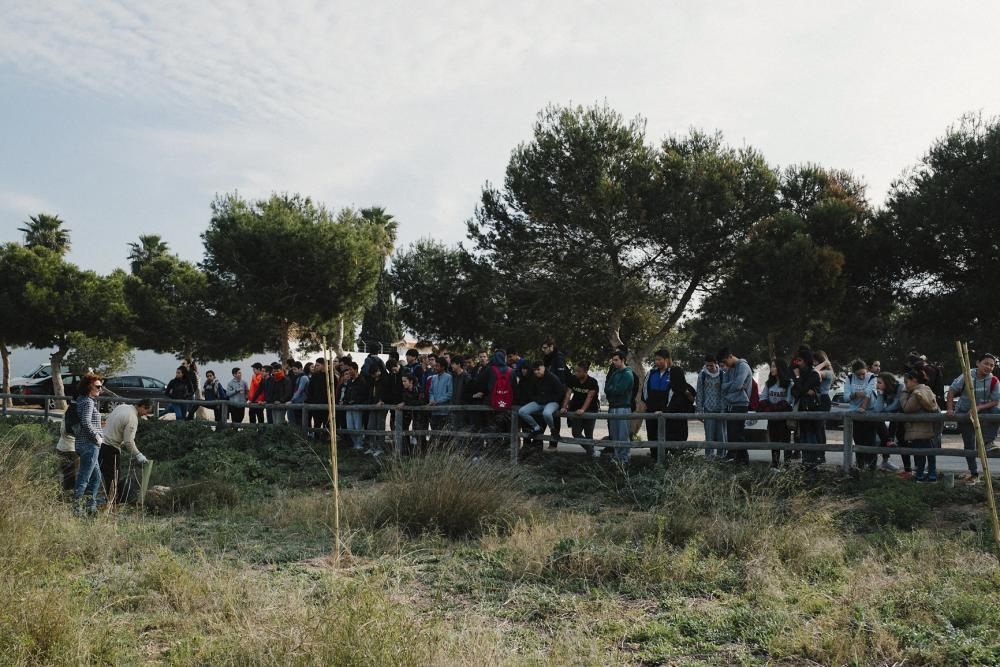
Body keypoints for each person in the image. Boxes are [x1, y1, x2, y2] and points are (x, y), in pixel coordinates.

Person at [946, 352, 1000, 484]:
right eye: (986, 363)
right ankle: (974, 473)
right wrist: (950, 409)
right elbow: (952, 390)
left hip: (983, 413)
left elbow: (995, 401)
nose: (988, 367)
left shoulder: (994, 380)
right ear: (978, 363)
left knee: (997, 411)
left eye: (991, 365)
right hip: (965, 412)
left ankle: (989, 441)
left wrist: (978, 408)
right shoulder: (967, 375)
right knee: (969, 444)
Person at [99, 398, 152, 506]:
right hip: (111, 447)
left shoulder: (122, 407)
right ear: (142, 406)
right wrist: (138, 454)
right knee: (113, 477)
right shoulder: (132, 418)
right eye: (147, 411)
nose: (146, 414)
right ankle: (112, 502)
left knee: (103, 474)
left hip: (100, 443)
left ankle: (106, 498)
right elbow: (128, 441)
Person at [73, 373, 104, 515]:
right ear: (89, 386)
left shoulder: (81, 399)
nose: (100, 389)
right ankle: (77, 508)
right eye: (98, 386)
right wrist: (96, 436)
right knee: (84, 477)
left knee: (96, 477)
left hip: (83, 443)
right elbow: (86, 422)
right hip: (89, 445)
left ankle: (90, 507)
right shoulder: (88, 402)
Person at [901, 371, 940, 482]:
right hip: (929, 428)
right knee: (930, 453)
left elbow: (907, 408)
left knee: (919, 453)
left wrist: (904, 393)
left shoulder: (915, 393)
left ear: (914, 380)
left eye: (906, 382)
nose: (905, 385)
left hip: (917, 428)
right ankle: (932, 474)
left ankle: (920, 475)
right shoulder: (927, 390)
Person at [517, 360, 565, 447]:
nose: (536, 371)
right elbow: (532, 392)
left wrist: (553, 401)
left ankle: (553, 429)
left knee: (546, 413)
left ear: (543, 367)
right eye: (534, 370)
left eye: (538, 369)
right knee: (522, 411)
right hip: (540, 402)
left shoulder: (552, 377)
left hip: (552, 402)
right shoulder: (535, 378)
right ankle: (537, 427)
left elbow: (561, 392)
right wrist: (537, 399)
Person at [791, 349, 823, 475]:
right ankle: (806, 464)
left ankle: (812, 466)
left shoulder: (814, 374)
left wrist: (798, 379)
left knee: (811, 437)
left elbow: (801, 389)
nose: (797, 363)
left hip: (812, 410)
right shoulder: (802, 374)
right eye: (796, 360)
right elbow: (795, 391)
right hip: (802, 410)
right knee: (802, 437)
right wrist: (801, 388)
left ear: (806, 360)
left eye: (800, 360)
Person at [718, 348, 753, 464]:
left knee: (737, 433)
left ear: (730, 356)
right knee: (733, 434)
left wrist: (732, 386)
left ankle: (743, 459)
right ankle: (739, 460)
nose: (725, 365)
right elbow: (723, 386)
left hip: (741, 403)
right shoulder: (729, 369)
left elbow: (738, 386)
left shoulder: (743, 366)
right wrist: (733, 385)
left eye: (725, 361)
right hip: (730, 404)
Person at [844, 359, 877, 470]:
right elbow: (845, 397)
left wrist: (862, 403)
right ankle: (860, 466)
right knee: (858, 440)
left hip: (869, 412)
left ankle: (872, 466)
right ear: (854, 373)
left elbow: (869, 392)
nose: (862, 377)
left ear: (867, 370)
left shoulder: (872, 377)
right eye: (859, 375)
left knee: (870, 440)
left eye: (863, 374)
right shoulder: (849, 378)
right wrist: (855, 395)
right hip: (855, 413)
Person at [872, 373, 907, 476]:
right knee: (885, 435)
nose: (877, 385)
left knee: (902, 441)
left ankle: (908, 469)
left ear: (887, 382)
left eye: (879, 382)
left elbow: (897, 403)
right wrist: (880, 394)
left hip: (903, 416)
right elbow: (877, 409)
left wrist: (884, 410)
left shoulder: (900, 387)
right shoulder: (883, 391)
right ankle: (885, 460)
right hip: (892, 416)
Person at [561, 362, 600, 455]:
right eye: (576, 371)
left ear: (585, 372)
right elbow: (568, 394)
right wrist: (564, 407)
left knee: (588, 434)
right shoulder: (573, 379)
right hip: (576, 409)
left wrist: (583, 409)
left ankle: (590, 455)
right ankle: (592, 452)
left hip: (591, 409)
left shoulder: (592, 382)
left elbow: (589, 397)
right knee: (576, 433)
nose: (576, 373)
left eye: (579, 371)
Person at [761, 359, 793, 470]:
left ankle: (787, 465)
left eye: (774, 366)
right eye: (771, 366)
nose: (772, 369)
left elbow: (788, 400)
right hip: (772, 418)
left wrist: (776, 407)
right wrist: (769, 407)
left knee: (785, 440)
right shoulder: (769, 383)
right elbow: (763, 398)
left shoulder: (789, 383)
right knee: (774, 440)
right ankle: (775, 464)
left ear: (780, 368)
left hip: (784, 418)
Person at [605, 351, 635, 463]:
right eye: (613, 360)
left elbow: (619, 390)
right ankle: (617, 456)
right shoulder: (615, 373)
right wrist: (613, 389)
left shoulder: (627, 374)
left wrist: (613, 389)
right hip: (613, 406)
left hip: (623, 407)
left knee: (623, 434)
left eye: (616, 360)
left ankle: (625, 458)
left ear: (623, 360)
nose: (614, 362)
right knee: (614, 434)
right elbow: (606, 388)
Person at [696, 354, 726, 459]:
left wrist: (724, 409)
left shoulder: (722, 374)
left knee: (721, 435)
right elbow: (699, 393)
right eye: (707, 365)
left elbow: (724, 393)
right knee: (709, 436)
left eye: (711, 365)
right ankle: (709, 458)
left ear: (716, 364)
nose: (709, 368)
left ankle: (721, 457)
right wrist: (699, 410)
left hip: (721, 409)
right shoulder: (702, 375)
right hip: (708, 409)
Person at [642, 349, 672, 452]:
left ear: (666, 359)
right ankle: (654, 460)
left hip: (666, 412)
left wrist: (666, 409)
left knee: (665, 437)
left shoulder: (672, 373)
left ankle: (665, 462)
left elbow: (673, 394)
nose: (657, 362)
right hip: (651, 411)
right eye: (655, 360)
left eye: (659, 359)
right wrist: (649, 404)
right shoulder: (651, 373)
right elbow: (645, 390)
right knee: (651, 436)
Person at [664, 365, 696, 449]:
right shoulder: (670, 387)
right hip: (668, 422)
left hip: (679, 422)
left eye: (670, 374)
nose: (669, 376)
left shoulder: (686, 389)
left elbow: (693, 401)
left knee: (678, 447)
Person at [397, 372, 427, 454]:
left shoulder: (419, 389)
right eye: (402, 381)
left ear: (411, 381)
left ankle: (422, 452)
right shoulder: (404, 391)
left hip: (419, 414)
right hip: (408, 413)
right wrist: (407, 402)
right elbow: (408, 401)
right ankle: (406, 450)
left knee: (419, 432)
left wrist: (406, 402)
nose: (403, 383)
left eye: (405, 381)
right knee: (403, 428)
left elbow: (421, 402)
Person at [341, 362, 367, 450]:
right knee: (350, 427)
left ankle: (359, 443)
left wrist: (355, 401)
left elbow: (363, 395)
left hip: (357, 407)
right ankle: (355, 443)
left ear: (355, 370)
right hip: (349, 407)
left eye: (351, 369)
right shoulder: (349, 382)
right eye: (348, 369)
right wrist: (345, 401)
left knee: (357, 426)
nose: (349, 371)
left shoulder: (362, 381)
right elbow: (346, 393)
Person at [427, 357, 453, 437]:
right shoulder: (434, 378)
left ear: (443, 367)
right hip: (434, 411)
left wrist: (437, 401)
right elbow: (430, 391)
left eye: (437, 366)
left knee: (443, 435)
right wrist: (432, 400)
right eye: (435, 366)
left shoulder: (449, 377)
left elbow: (450, 394)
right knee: (434, 434)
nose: (435, 368)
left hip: (444, 411)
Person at [306, 359, 330, 433]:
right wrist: (312, 401)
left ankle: (326, 440)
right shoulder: (315, 376)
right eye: (315, 365)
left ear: (323, 365)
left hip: (327, 405)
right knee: (317, 424)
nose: (316, 367)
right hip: (316, 405)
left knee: (327, 424)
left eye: (318, 365)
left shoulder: (330, 376)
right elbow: (310, 390)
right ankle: (316, 440)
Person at [449, 356, 470, 431]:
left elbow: (468, 393)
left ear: (459, 364)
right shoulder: (453, 376)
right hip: (453, 408)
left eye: (453, 364)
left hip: (462, 410)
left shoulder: (466, 376)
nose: (451, 365)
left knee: (462, 431)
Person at [289, 361, 309, 428]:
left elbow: (299, 391)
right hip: (297, 402)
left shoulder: (304, 378)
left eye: (295, 369)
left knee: (301, 422)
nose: (293, 371)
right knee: (297, 421)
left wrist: (292, 400)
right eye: (293, 369)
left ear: (300, 369)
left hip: (302, 402)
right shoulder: (298, 378)